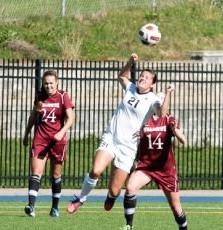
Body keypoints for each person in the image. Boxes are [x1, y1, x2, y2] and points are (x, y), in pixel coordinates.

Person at [67, 53, 170, 213]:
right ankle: (80, 198)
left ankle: (110, 196)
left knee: (115, 191)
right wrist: (130, 62)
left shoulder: (152, 99)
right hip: (112, 138)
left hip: (128, 147)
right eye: (142, 75)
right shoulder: (131, 88)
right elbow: (122, 76)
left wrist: (168, 94)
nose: (143, 78)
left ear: (152, 85)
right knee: (96, 170)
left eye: (147, 77)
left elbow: (162, 114)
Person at [117, 89, 192, 230]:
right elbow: (137, 140)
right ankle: (129, 225)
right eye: (157, 99)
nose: (159, 102)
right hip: (146, 166)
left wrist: (178, 134)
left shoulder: (169, 119)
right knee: (130, 187)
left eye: (163, 99)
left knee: (175, 206)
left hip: (165, 170)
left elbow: (182, 138)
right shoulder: (144, 119)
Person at [22, 70, 75, 217]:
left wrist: (61, 132)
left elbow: (71, 118)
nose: (48, 86)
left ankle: (55, 207)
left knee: (55, 174)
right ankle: (31, 206)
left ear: (56, 83)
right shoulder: (40, 97)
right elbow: (34, 115)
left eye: (51, 83)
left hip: (57, 141)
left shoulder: (63, 96)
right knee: (36, 172)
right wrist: (27, 133)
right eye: (46, 83)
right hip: (40, 139)